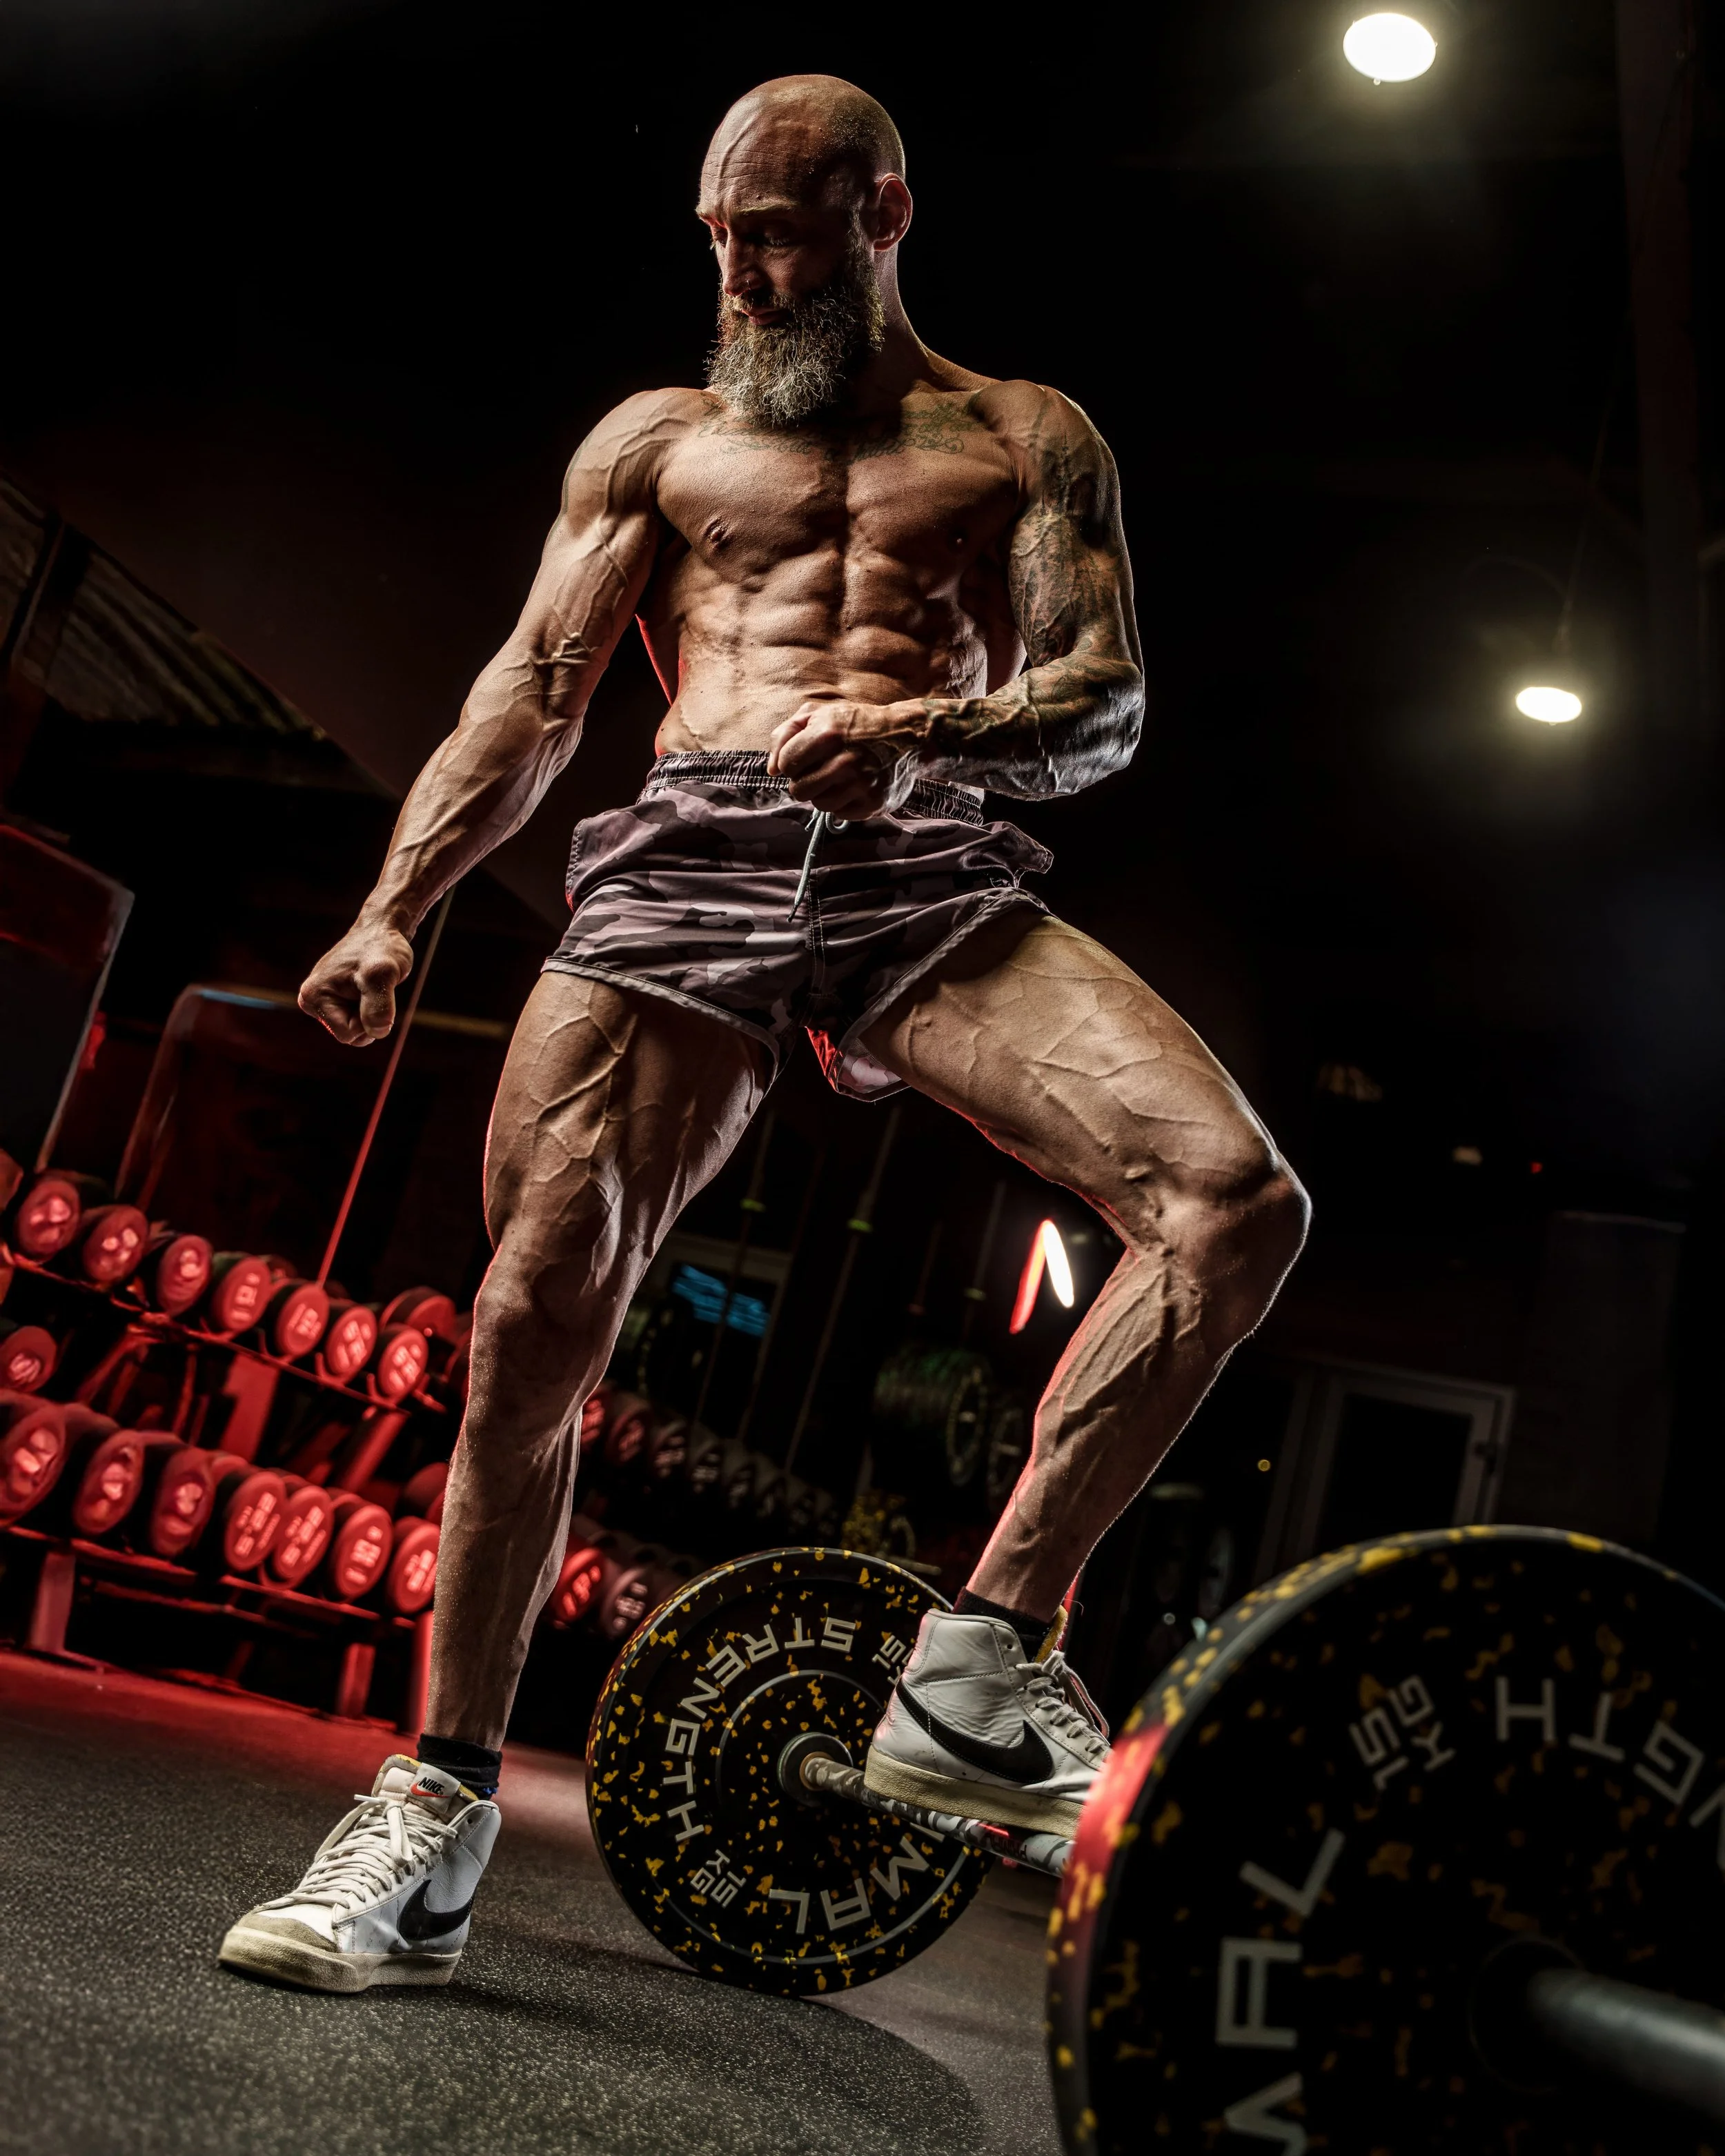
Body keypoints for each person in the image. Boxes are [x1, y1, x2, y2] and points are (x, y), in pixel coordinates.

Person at [218, 73, 1308, 1995]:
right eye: (718, 236)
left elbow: (1101, 700)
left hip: (921, 864)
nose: (737, 272)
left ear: (886, 210)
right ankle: (432, 1809)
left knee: (1233, 1204)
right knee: (531, 1307)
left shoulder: (1019, 435)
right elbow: (534, 692)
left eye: (778, 232)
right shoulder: (658, 444)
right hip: (686, 862)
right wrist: (398, 900)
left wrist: (921, 735)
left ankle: (983, 1655)